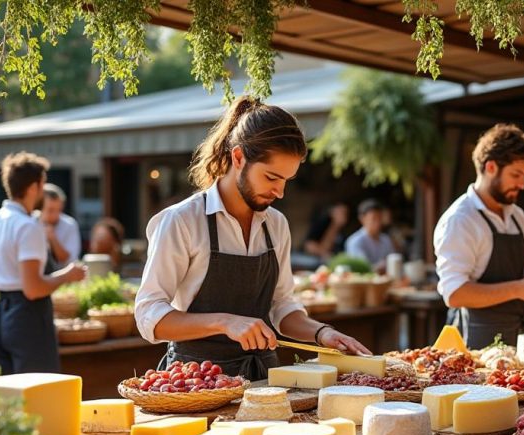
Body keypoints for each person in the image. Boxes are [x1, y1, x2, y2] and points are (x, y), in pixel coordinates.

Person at [135, 96, 370, 380]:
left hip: (263, 381)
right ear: (238, 158)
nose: (280, 192)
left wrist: (323, 333)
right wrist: (225, 323)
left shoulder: (276, 225)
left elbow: (282, 306)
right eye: (271, 178)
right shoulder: (182, 221)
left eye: (286, 180)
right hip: (197, 382)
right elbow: (149, 316)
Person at [434, 123, 524, 349]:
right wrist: (520, 288)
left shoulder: (517, 215)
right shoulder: (461, 220)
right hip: (473, 345)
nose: (522, 184)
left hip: (519, 339)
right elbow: (455, 294)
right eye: (516, 175)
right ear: (490, 167)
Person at [0, 152, 88, 374]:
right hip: (28, 317)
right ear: (33, 187)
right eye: (43, 183)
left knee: (13, 400)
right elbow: (33, 289)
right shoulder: (28, 226)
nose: (44, 190)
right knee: (38, 398)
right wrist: (67, 275)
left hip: (3, 315)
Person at [36, 183, 81, 271]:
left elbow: (69, 261)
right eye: (50, 210)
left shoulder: (70, 224)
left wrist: (53, 239)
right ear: (39, 207)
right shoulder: (30, 223)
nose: (55, 215)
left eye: (59, 210)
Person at [344, 199, 396, 272]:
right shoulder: (354, 241)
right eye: (373, 219)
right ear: (362, 219)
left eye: (380, 218)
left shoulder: (386, 239)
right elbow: (363, 268)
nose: (378, 223)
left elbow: (393, 261)